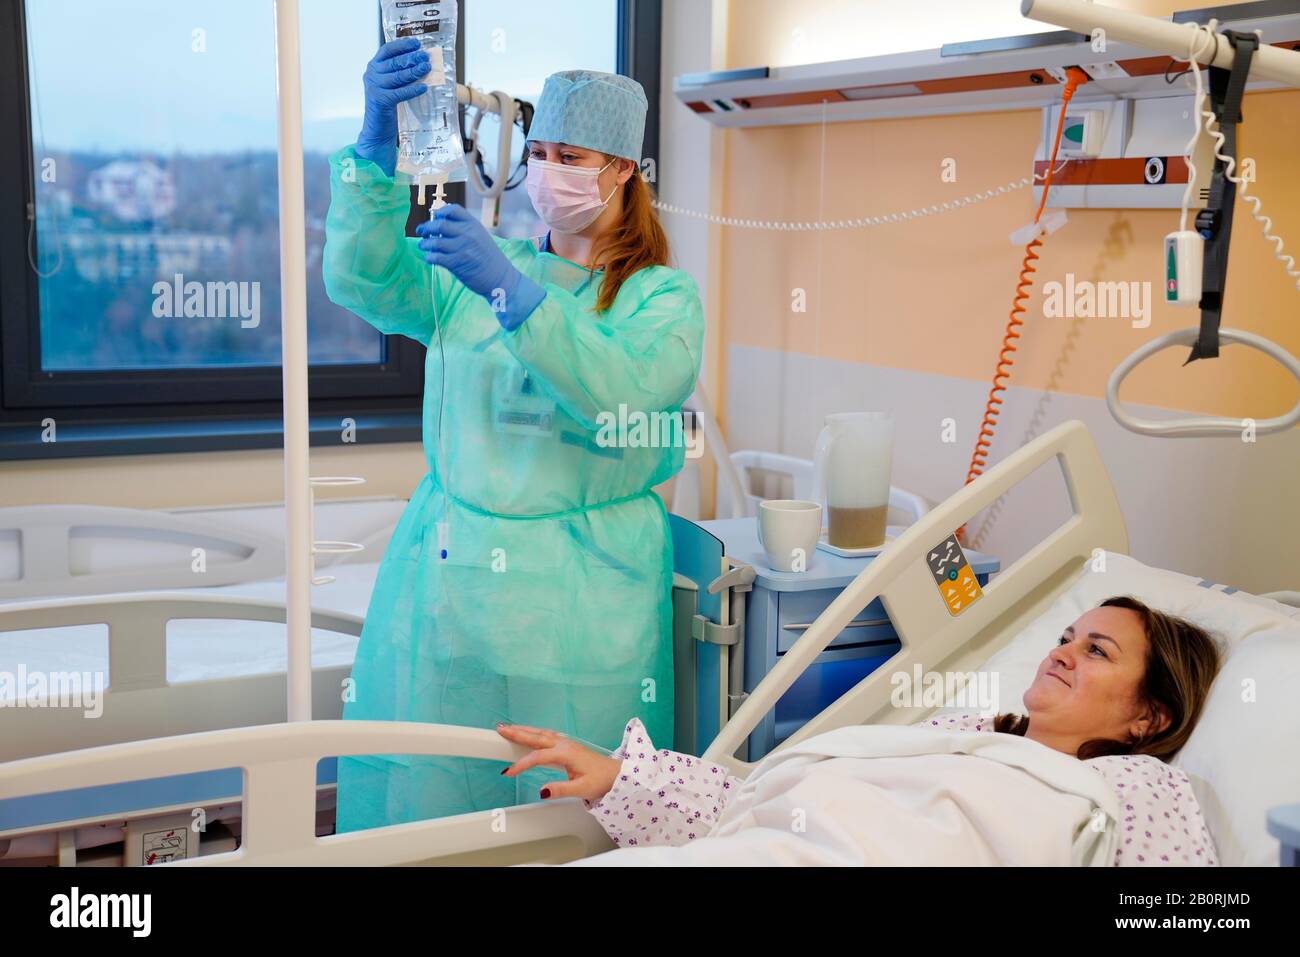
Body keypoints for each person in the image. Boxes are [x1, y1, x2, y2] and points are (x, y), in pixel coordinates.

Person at [323, 39, 704, 830]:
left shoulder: (662, 301)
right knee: (435, 808)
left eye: (570, 154)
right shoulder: (467, 281)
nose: (544, 168)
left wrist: (514, 291)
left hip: (579, 603)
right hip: (450, 590)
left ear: (625, 170)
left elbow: (617, 391)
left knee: (562, 820)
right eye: (536, 151)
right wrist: (372, 151)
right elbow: (363, 280)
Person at [497, 596, 1224, 865]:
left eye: (1097, 649)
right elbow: (771, 802)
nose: (1062, 649)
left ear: (1149, 716)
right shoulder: (960, 733)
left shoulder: (1133, 784)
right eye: (1067, 633)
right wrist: (626, 776)